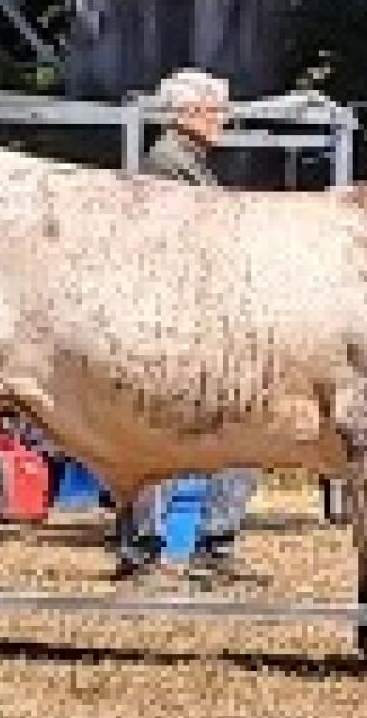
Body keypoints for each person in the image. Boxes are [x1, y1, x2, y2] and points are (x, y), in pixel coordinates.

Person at [114, 68, 260, 580]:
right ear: (184, 114)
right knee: (154, 436)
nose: (222, 117)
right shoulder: (165, 166)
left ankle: (212, 546)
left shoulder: (190, 165)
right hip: (167, 326)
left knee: (244, 432)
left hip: (202, 325)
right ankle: (145, 550)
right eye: (213, 108)